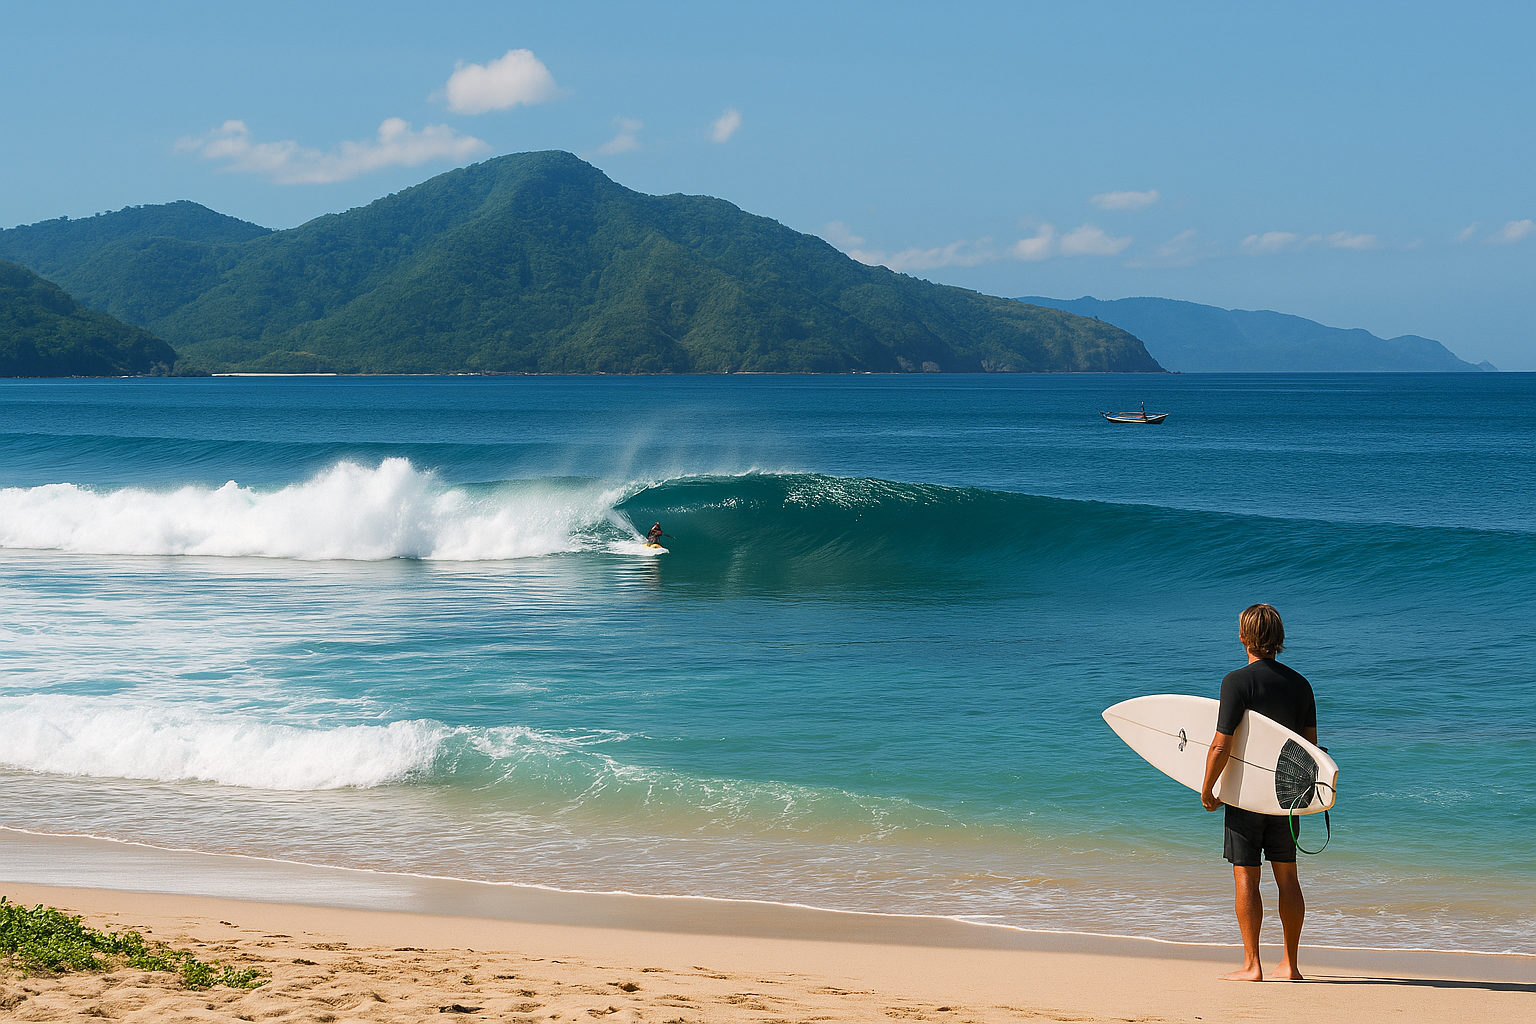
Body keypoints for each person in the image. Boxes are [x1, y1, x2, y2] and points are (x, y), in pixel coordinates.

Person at [1200, 603, 1317, 982]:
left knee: (1246, 877)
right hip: (1285, 798)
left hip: (1247, 796)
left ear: (1243, 637)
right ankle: (1291, 965)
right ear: (1279, 638)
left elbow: (1221, 745)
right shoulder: (1301, 685)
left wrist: (1208, 788)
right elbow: (1310, 750)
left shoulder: (1236, 682)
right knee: (1288, 878)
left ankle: (1252, 964)